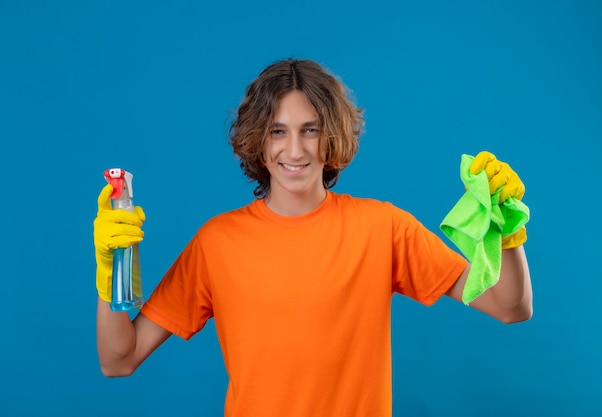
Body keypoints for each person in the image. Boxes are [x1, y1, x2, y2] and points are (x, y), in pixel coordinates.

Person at [93, 59, 532, 417]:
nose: (296, 150)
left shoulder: (382, 228)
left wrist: (507, 231)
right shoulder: (217, 242)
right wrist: (110, 274)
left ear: (332, 135)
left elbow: (510, 307)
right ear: (257, 141)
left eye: (311, 129)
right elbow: (119, 360)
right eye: (278, 131)